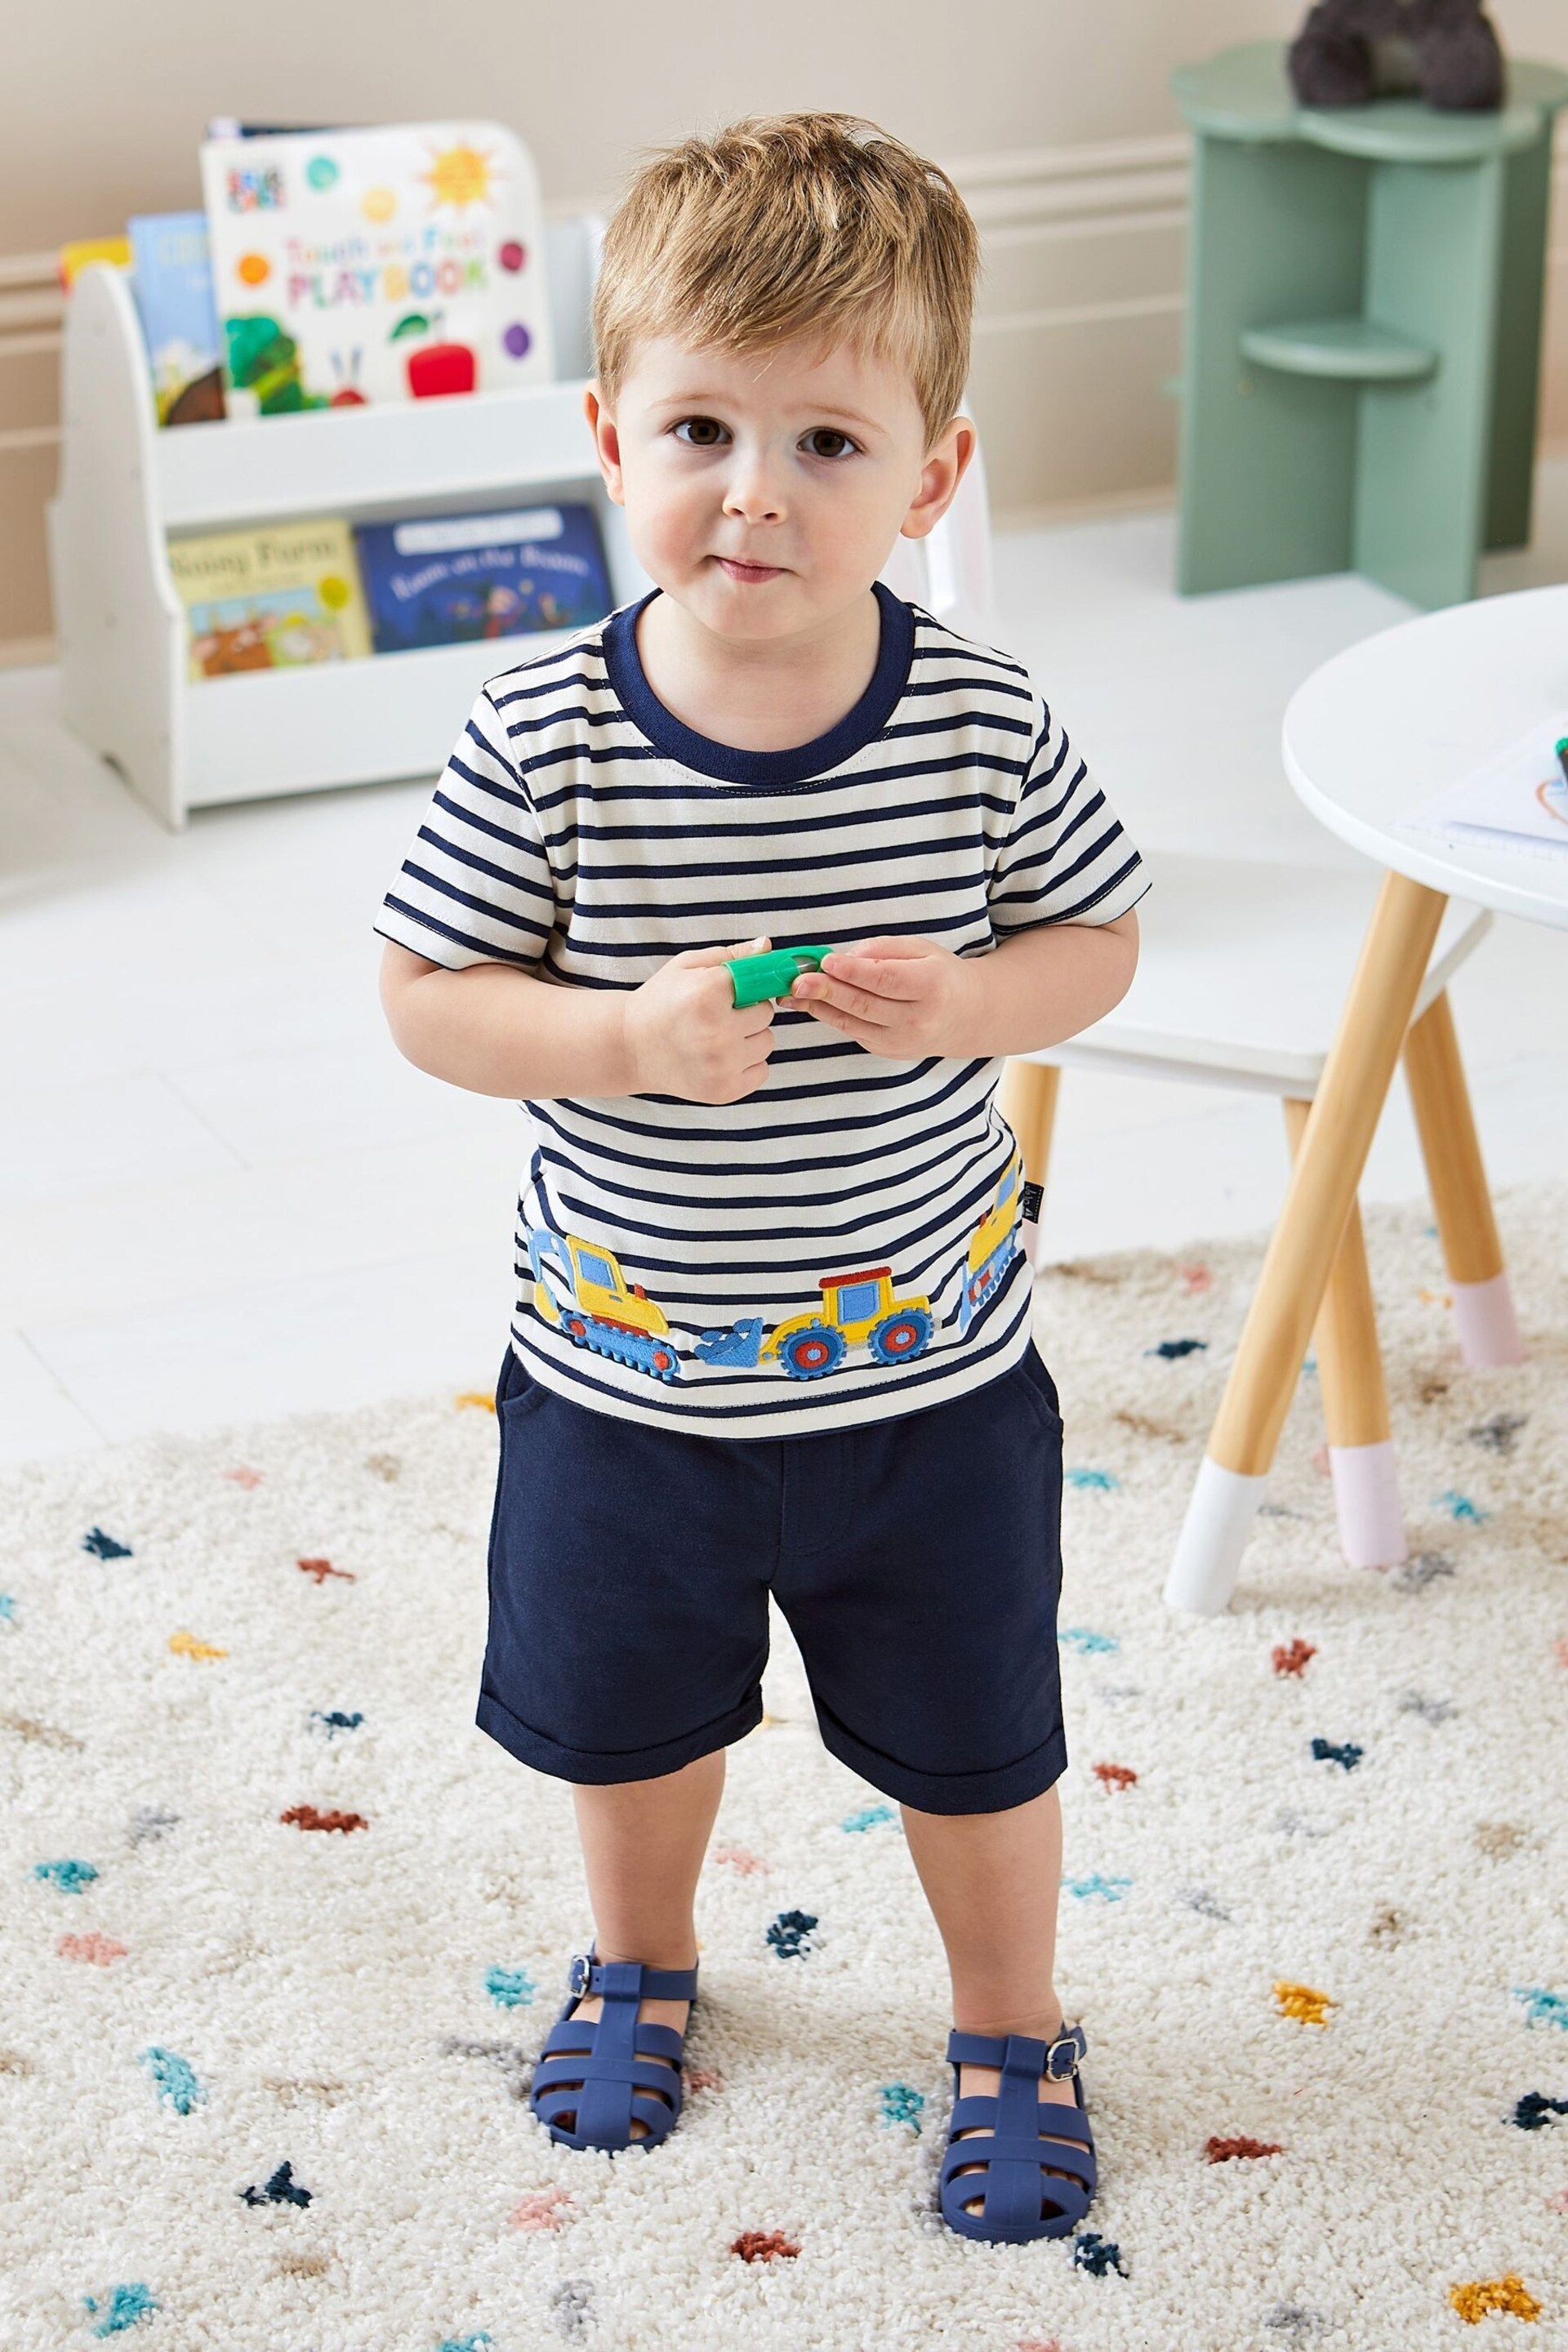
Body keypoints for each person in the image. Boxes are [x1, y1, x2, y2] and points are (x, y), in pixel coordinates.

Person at [377, 112, 1144, 2244]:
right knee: (624, 1727)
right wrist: (617, 1037)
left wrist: (986, 1002)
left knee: (981, 1741)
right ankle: (638, 1962)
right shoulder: (546, 736)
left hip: (932, 1395)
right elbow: (428, 996)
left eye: (827, 441)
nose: (753, 491)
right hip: (626, 1391)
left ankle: (1011, 2025)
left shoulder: (980, 722)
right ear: (610, 434)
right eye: (703, 425)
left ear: (933, 475)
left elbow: (1101, 941)